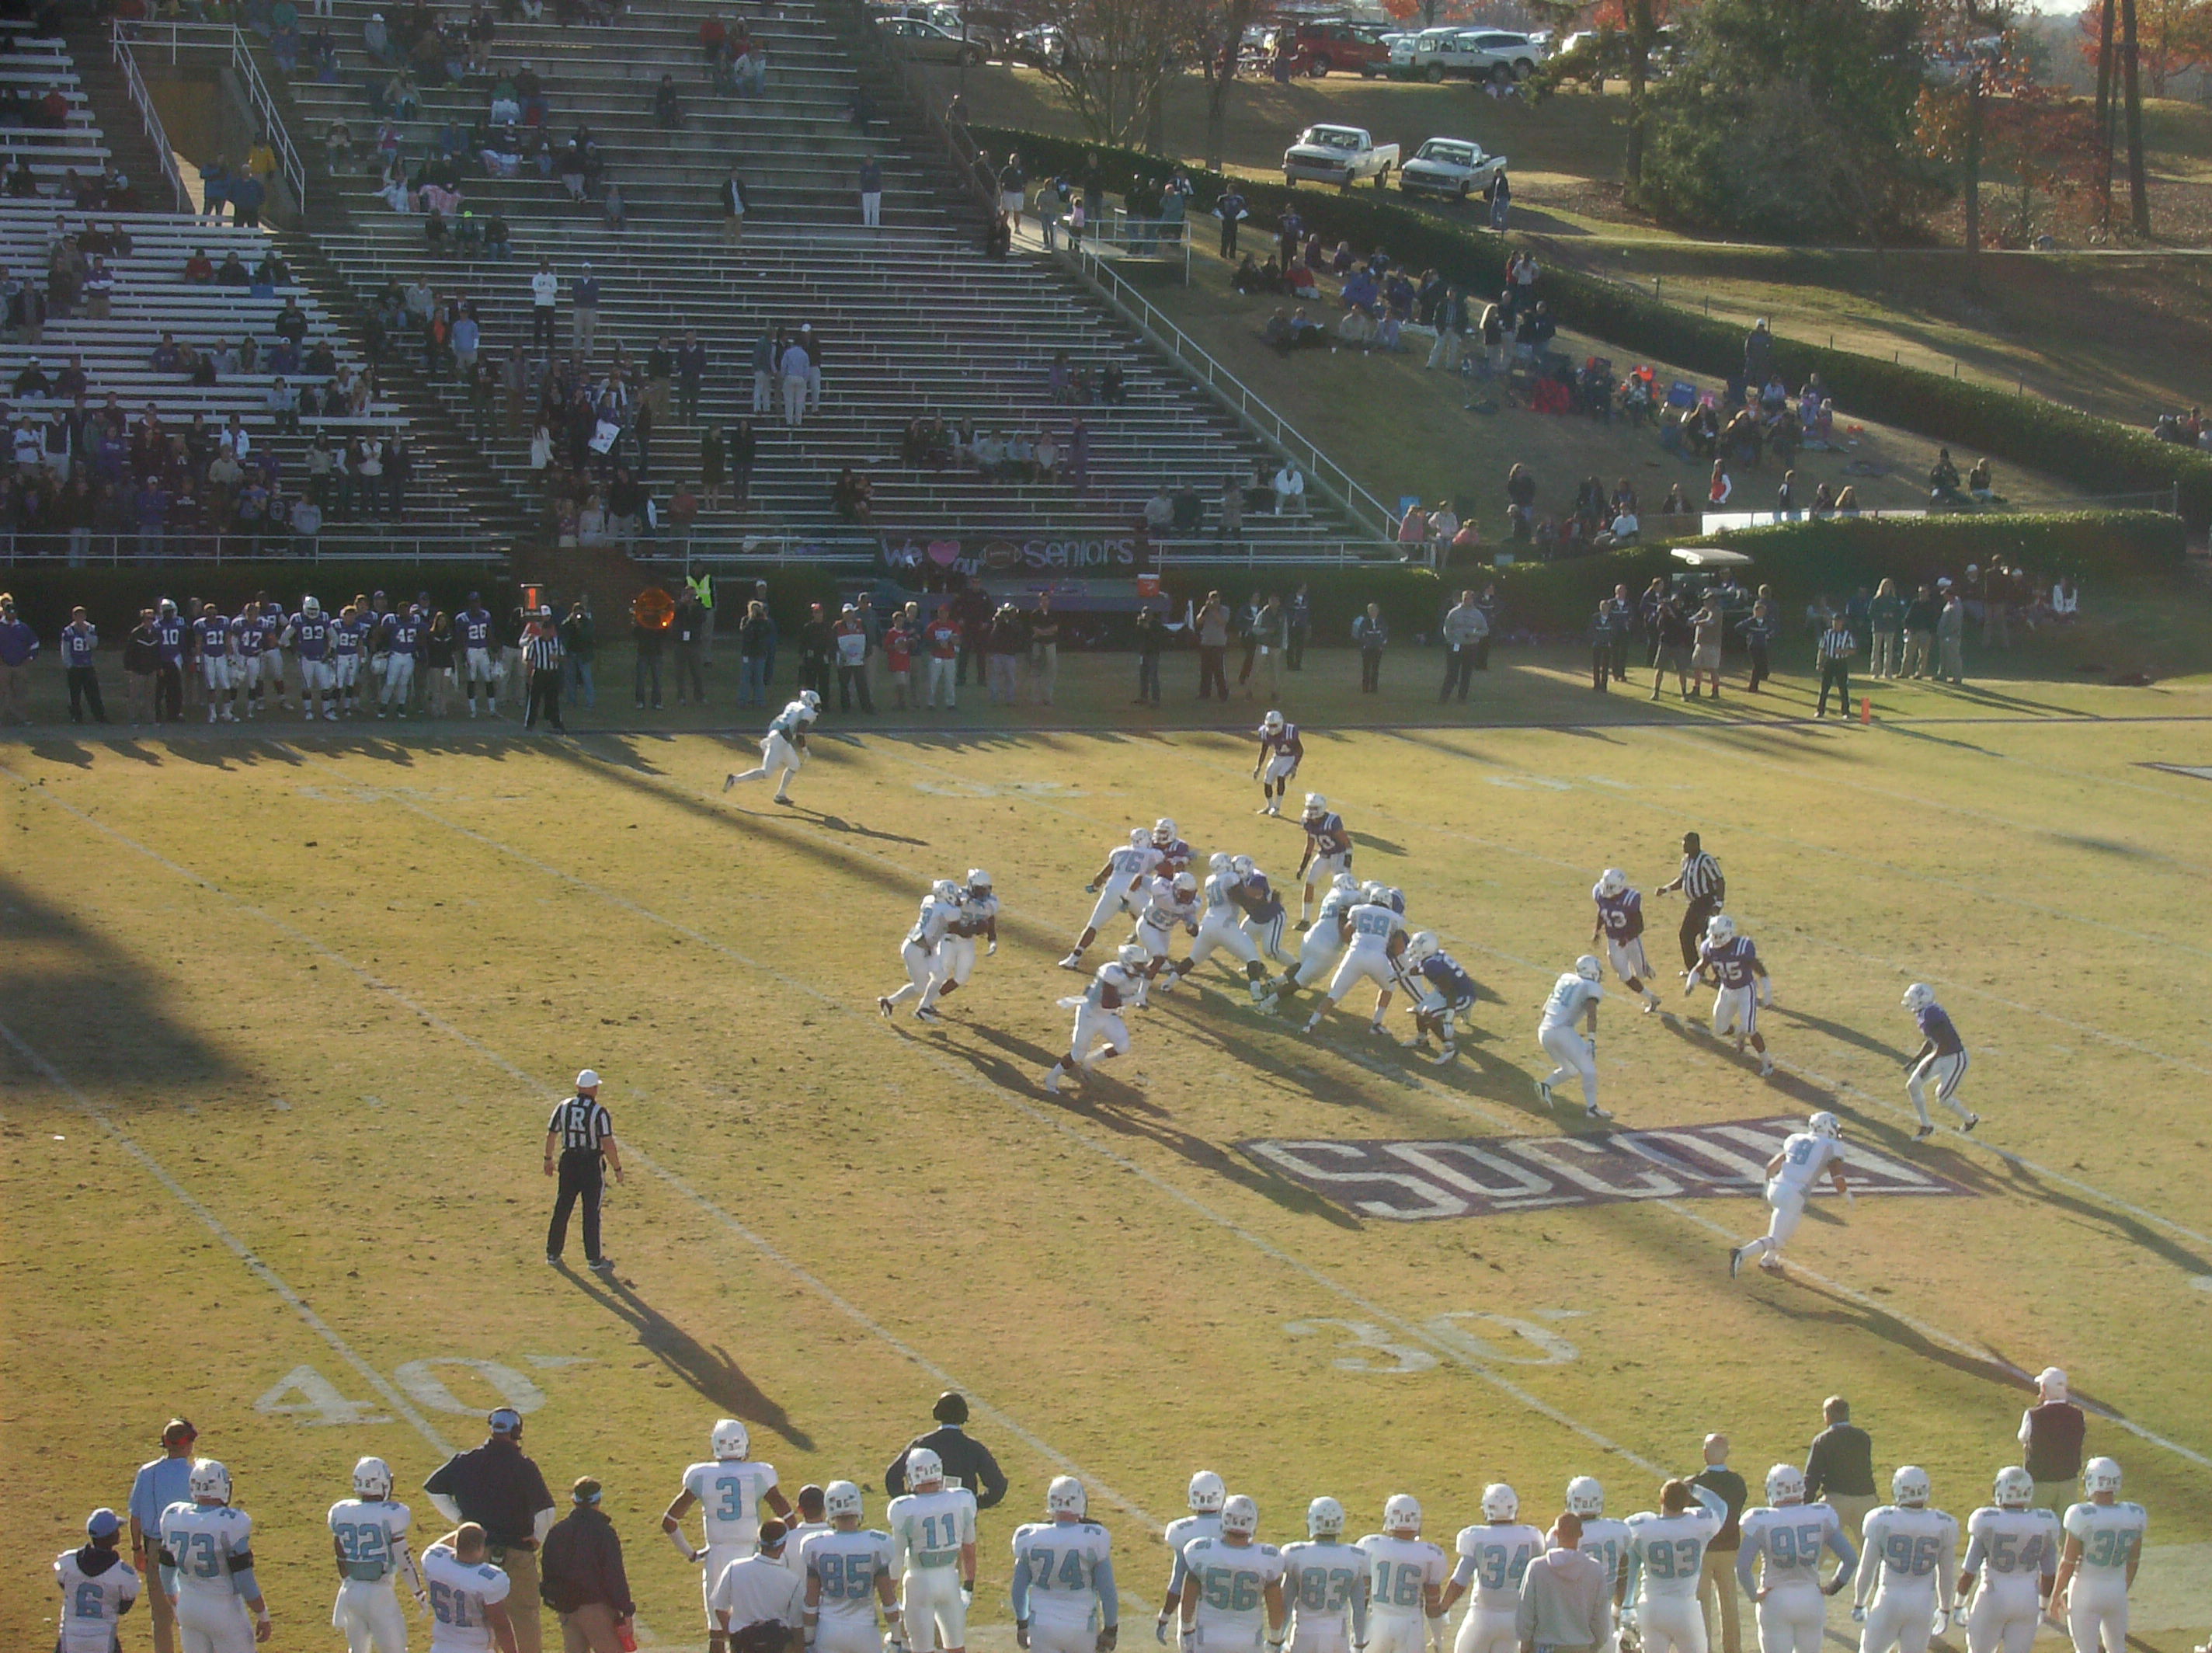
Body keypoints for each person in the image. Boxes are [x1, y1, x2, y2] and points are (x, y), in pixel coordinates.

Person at [425, 1414, 557, 1653]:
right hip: (517, 1553)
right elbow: (546, 1510)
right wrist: (538, 1536)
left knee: (481, 1617)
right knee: (524, 1618)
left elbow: (433, 1489)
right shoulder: (524, 1466)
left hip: (477, 1554)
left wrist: (462, 1521)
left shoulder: (466, 1460)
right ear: (517, 1432)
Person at [666, 1420, 795, 1653]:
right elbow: (789, 1519)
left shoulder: (700, 1476)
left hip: (717, 1557)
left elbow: (669, 1522)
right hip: (753, 1557)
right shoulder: (759, 1473)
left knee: (717, 1634)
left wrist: (692, 1553)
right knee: (759, 1629)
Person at [1734, 1466, 1855, 1653]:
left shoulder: (1761, 1520)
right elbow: (1851, 1559)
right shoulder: (1820, 1515)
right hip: (1811, 1598)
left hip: (1776, 1600)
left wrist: (1754, 1595)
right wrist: (1833, 1587)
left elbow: (1742, 1568)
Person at [158, 1458, 274, 1653]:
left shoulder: (174, 1515)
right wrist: (262, 1615)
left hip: (188, 1606)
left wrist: (175, 1602)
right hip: (224, 1609)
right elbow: (245, 1580)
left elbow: (166, 1570)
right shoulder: (232, 1522)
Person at [1729, 1112, 1851, 1278]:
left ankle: (1769, 1259)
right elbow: (1837, 1177)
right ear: (1826, 1127)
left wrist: (1767, 1186)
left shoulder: (1796, 1139)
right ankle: (1742, 1253)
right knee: (1778, 1239)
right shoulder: (1831, 1146)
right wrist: (1847, 1196)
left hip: (1776, 1187)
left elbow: (1772, 1166)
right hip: (1794, 1194)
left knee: (1780, 1227)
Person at [1850, 1469, 1958, 1653]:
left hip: (1889, 1598)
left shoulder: (1882, 1519)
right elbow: (1946, 1574)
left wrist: (1860, 1602)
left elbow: (1867, 1567)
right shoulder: (1943, 1523)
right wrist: (1945, 1608)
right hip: (1923, 1602)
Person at [886, 1447, 979, 1653]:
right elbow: (969, 1549)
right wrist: (969, 1586)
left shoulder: (903, 1508)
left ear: (912, 1476)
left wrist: (889, 1595)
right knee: (957, 1647)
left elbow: (897, 1558)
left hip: (918, 1582)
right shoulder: (962, 1499)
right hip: (949, 1580)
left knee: (922, 1649)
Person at [330, 1456, 426, 1653]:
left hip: (351, 1590)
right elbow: (403, 1561)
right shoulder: (393, 1513)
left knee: (357, 1650)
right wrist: (418, 1592)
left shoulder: (341, 1511)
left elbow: (339, 1552)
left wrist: (348, 1580)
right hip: (379, 1592)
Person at [1957, 1467, 2059, 1653]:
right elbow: (2049, 1573)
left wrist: (1959, 1603)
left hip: (1993, 1596)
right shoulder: (2044, 1522)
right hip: (2027, 1598)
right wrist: (2043, 1606)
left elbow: (1969, 1571)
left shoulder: (1987, 1521)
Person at [1011, 1477, 1116, 1653]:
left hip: (1042, 1626)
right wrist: (1111, 1629)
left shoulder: (1030, 1537)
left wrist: (1022, 1624)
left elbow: (1018, 1589)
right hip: (1082, 1626)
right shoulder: (1094, 1537)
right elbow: (1108, 1593)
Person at [1622, 1481, 1729, 1653]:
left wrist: (1627, 1604)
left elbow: (1631, 1563)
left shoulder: (1642, 1526)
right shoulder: (1699, 1523)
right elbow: (1721, 1507)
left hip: (1652, 1606)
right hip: (1685, 1608)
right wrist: (1695, 1489)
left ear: (1661, 1500)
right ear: (1687, 1502)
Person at [1437, 1484, 1543, 1653]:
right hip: (1515, 1619)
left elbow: (1460, 1579)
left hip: (1482, 1617)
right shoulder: (1531, 1536)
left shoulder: (1476, 1537)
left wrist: (1443, 1608)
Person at [2051, 1460, 2143, 1653]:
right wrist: (2120, 1589)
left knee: (2086, 1650)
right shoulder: (2134, 1514)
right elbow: (2133, 1562)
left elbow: (2068, 1562)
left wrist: (2056, 1594)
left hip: (2085, 1589)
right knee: (2118, 1648)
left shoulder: (2081, 1514)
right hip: (2116, 1589)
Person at [802, 1482, 900, 1653]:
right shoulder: (877, 1543)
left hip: (829, 1629)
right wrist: (896, 1639)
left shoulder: (815, 1544)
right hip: (865, 1631)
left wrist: (808, 1640)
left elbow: (811, 1602)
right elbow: (888, 1599)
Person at [1180, 1497, 1287, 1653]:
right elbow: (1275, 1606)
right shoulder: (1267, 1558)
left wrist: (1186, 1630)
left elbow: (1188, 1599)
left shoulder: (1201, 1551)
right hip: (1249, 1642)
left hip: (1209, 1639)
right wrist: (1275, 1640)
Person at [540, 1479, 635, 1653]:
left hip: (566, 1609)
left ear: (574, 1500)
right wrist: (626, 1611)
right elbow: (614, 1576)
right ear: (598, 1500)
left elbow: (547, 1572)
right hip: (596, 1608)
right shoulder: (604, 1532)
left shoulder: (557, 1531)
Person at [131, 1418, 200, 1653]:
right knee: (194, 1615)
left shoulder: (147, 1473)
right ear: (187, 1443)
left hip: (156, 1549)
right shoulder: (196, 1475)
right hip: (191, 1549)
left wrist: (137, 1549)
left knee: (161, 1618)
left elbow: (136, 1516)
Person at [1045, 943, 1149, 1093]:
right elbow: (1107, 1002)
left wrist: (1136, 1000)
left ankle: (1090, 1060)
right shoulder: (1112, 973)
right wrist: (1132, 1000)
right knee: (1078, 1054)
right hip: (1090, 1014)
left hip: (1108, 1015)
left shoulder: (1135, 976)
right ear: (1128, 962)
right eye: (1139, 964)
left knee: (1123, 1046)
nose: (1142, 968)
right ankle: (1051, 1078)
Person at [543, 1070, 620, 1268]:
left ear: (578, 1087)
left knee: (562, 1207)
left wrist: (548, 1158)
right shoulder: (599, 1112)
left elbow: (551, 1134)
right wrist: (617, 1168)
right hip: (591, 1164)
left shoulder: (563, 1106)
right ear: (594, 1089)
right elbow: (607, 1142)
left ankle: (553, 1252)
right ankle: (594, 1258)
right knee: (591, 1212)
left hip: (568, 1161)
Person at [1515, 1513, 1612, 1653]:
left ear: (1555, 1533)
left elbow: (1526, 1609)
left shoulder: (1537, 1567)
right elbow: (1600, 1615)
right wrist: (1595, 1644)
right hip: (1581, 1646)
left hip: (1545, 1646)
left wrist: (1524, 1642)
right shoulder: (1594, 1569)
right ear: (1581, 1534)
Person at [421, 1522, 520, 1653]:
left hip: (441, 1647)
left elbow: (436, 1546)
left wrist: (462, 1533)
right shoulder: (489, 1580)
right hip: (475, 1648)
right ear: (480, 1547)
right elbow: (501, 1626)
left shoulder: (433, 1561)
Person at [709, 1519, 805, 1651]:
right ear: (783, 1546)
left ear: (758, 1541)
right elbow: (797, 1625)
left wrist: (732, 1637)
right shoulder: (793, 1581)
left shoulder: (734, 1568)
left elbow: (719, 1607)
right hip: (777, 1646)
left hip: (742, 1645)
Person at [1690, 1438, 1748, 1653]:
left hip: (1704, 1551)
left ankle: (1703, 1649)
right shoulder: (1737, 1482)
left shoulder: (1694, 1484)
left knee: (1701, 1603)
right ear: (1727, 1453)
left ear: (1705, 1453)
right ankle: (1733, 1648)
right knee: (1730, 1603)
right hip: (1730, 1548)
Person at [57, 1507, 141, 1653]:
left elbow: (64, 1585)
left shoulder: (68, 1562)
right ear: (112, 1536)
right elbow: (123, 1608)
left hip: (70, 1636)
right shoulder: (124, 1574)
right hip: (104, 1638)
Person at [1536, 955, 1609, 1120]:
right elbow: (1592, 1014)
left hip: (1544, 1031)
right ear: (1593, 972)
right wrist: (1591, 1039)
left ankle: (1545, 1086)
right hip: (1562, 1031)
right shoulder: (1592, 987)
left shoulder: (1565, 979)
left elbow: (1544, 1010)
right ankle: (1592, 1109)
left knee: (1571, 1069)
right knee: (1588, 1068)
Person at [725, 688, 821, 806]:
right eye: (816, 705)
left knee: (794, 765)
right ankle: (734, 779)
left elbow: (779, 722)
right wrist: (805, 749)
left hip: (780, 739)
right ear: (810, 702)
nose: (817, 708)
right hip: (779, 740)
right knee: (766, 773)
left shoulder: (793, 705)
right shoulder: (807, 712)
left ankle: (781, 795)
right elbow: (800, 733)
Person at [1803, 1400, 1880, 1541]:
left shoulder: (1823, 1440)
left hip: (1836, 1501)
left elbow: (1812, 1476)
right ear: (1847, 1413)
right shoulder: (1863, 1437)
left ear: (1828, 1415)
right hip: (1865, 1498)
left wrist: (1805, 1504)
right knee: (1871, 1547)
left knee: (1820, 1547)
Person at [1590, 869, 1663, 1013]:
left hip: (1632, 940)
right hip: (1613, 941)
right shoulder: (1599, 893)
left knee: (1641, 974)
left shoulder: (1630, 899)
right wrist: (1597, 930)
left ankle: (1645, 966)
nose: (1606, 889)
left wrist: (1627, 938)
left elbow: (1639, 926)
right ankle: (1652, 998)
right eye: (1606, 885)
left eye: (1611, 887)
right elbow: (1602, 911)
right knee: (1624, 976)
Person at [2019, 1370, 2086, 1516]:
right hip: (2069, 1480)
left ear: (2043, 1388)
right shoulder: (2078, 1415)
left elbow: (2023, 1438)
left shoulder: (2033, 1415)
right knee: (2066, 1524)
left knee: (2037, 1524)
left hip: (2040, 1481)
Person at [1657, 833, 1725, 972]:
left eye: (1686, 843)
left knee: (1708, 939)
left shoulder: (1706, 860)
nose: (1683, 846)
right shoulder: (1686, 860)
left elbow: (1719, 881)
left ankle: (1720, 974)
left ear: (1695, 844)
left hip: (1706, 903)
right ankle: (1695, 970)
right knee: (1686, 935)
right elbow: (1683, 880)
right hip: (1694, 904)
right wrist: (1666, 889)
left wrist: (1718, 903)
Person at [1251, 709, 1303, 816]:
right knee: (1267, 781)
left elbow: (1300, 750)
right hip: (1277, 757)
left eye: (1274, 725)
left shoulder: (1289, 732)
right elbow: (1264, 750)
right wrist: (1258, 766)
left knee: (1281, 777)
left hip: (1290, 758)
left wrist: (1295, 766)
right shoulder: (1265, 733)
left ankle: (1277, 808)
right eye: (1270, 725)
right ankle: (1270, 806)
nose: (1272, 728)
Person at [58, 604, 103, 723]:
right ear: (74, 617)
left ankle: (99, 716)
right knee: (74, 694)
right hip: (75, 666)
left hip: (88, 666)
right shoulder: (68, 631)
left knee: (93, 693)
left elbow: (94, 644)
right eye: (77, 615)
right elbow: (65, 648)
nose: (80, 618)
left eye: (82, 615)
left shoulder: (91, 628)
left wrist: (86, 633)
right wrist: (68, 664)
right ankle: (76, 716)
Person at [1441, 590, 1487, 703]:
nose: (1467, 601)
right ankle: (1444, 698)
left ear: (1473, 600)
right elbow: (1447, 628)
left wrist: (1474, 634)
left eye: (1469, 598)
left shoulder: (1478, 614)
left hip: (1470, 646)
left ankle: (1462, 698)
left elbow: (1485, 630)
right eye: (1465, 598)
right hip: (1456, 646)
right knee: (1452, 673)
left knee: (1466, 674)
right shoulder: (1454, 613)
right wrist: (1450, 640)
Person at [1814, 610, 1855, 718]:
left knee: (1843, 688)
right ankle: (1820, 710)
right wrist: (1819, 663)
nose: (1836, 624)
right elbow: (1822, 649)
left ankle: (1846, 711)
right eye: (1834, 621)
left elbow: (1853, 650)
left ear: (1842, 623)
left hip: (1841, 662)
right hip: (1830, 661)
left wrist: (1843, 651)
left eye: (1838, 622)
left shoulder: (1847, 635)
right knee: (1824, 687)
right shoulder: (1827, 634)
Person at [1352, 602, 1386, 694]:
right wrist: (1365, 644)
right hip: (1367, 648)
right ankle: (1365, 688)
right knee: (1366, 668)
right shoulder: (1364, 621)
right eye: (1371, 610)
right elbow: (1361, 634)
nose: (1373, 612)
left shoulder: (1381, 621)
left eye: (1374, 610)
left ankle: (1374, 688)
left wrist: (1381, 645)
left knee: (1375, 668)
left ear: (1378, 611)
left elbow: (1384, 633)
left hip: (1377, 648)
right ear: (1368, 611)